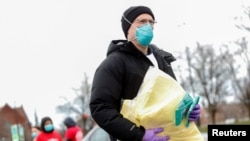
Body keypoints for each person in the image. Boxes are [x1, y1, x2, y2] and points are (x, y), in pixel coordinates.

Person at [89, 5, 201, 141]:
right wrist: (139, 135)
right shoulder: (114, 63)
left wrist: (187, 110)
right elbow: (100, 108)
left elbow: (173, 100)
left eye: (151, 22)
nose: (148, 26)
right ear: (128, 27)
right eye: (141, 21)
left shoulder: (162, 60)